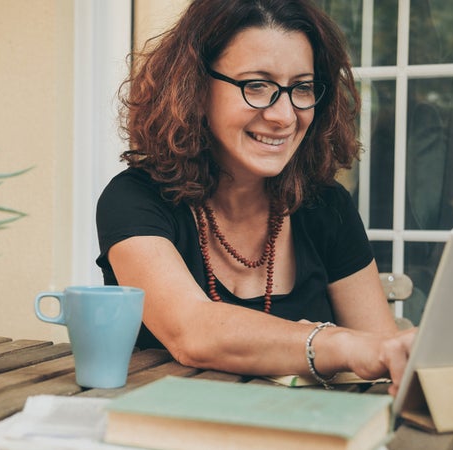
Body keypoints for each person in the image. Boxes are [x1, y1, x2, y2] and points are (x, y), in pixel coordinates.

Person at [95, 0, 415, 395]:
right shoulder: (134, 199)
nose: (284, 115)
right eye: (257, 85)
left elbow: (386, 355)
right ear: (194, 86)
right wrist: (337, 343)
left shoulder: (326, 205)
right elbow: (191, 331)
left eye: (301, 88)